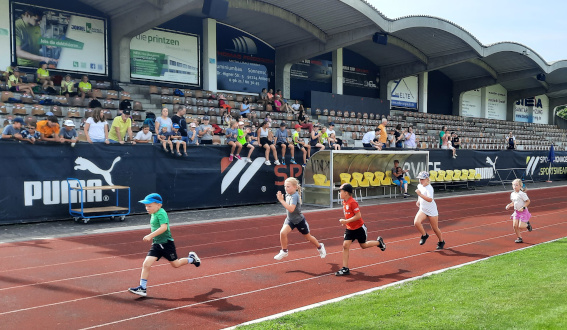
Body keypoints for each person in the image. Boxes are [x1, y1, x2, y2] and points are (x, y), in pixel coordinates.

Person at [127, 193, 201, 297]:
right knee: (146, 264)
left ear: (158, 205)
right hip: (157, 244)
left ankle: (192, 259)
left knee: (176, 264)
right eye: (146, 206)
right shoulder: (154, 213)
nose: (147, 208)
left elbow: (163, 228)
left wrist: (150, 235)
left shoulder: (161, 213)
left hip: (166, 244)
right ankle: (142, 288)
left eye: (149, 206)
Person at [336, 183, 386, 276]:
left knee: (363, 245)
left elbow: (358, 216)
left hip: (359, 228)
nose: (339, 193)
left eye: (341, 191)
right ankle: (345, 268)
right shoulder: (344, 201)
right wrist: (346, 222)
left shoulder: (352, 202)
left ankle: (379, 243)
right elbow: (348, 214)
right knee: (345, 246)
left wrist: (346, 221)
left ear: (346, 193)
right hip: (350, 228)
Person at [274, 177, 327, 260]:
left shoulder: (295, 196)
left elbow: (291, 209)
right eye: (285, 186)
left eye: (288, 186)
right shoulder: (289, 194)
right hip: (290, 220)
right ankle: (284, 251)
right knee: (283, 233)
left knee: (308, 237)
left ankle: (320, 247)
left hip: (299, 221)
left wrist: (281, 200)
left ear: (295, 187)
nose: (286, 188)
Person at [413, 171, 445, 250]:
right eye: (420, 179)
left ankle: (441, 241)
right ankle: (424, 235)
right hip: (423, 209)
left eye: (422, 179)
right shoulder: (419, 185)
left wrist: (420, 195)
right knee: (416, 222)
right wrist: (418, 200)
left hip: (431, 210)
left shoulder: (429, 188)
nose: (420, 181)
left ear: (427, 179)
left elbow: (430, 199)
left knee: (435, 228)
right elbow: (420, 194)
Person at [505, 178, 532, 243]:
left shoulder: (522, 194)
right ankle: (519, 237)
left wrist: (523, 207)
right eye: (514, 185)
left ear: (520, 186)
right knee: (515, 225)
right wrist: (509, 205)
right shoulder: (512, 194)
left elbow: (528, 201)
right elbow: (514, 202)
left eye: (516, 185)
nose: (515, 186)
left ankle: (527, 225)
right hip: (516, 212)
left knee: (520, 226)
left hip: (523, 212)